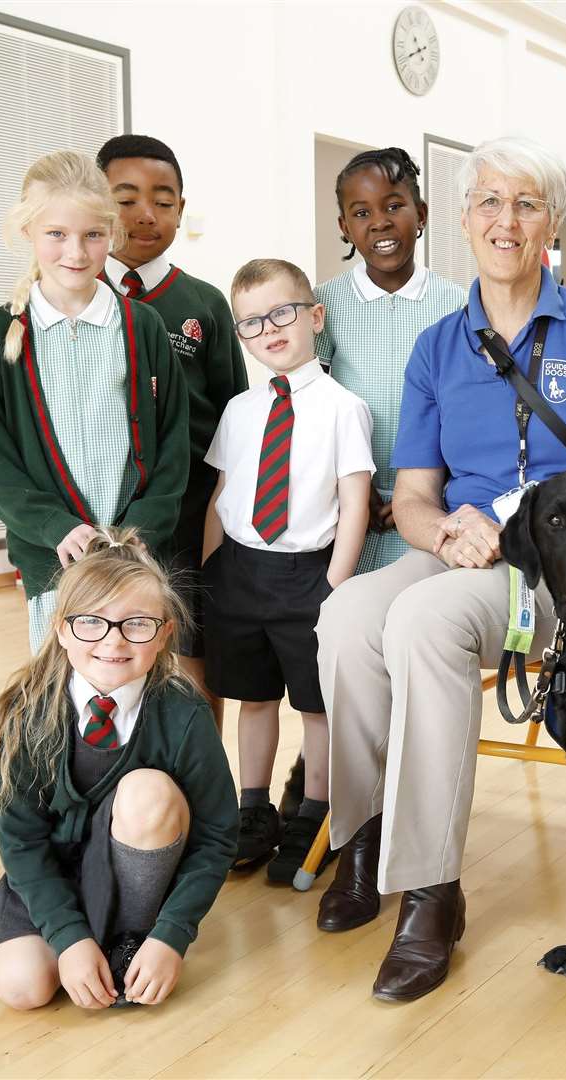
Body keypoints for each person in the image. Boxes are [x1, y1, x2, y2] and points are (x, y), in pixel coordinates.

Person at [315, 136, 566, 1003]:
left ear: (551, 224)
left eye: (525, 203)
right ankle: (363, 838)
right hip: (464, 555)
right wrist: (445, 537)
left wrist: (512, 521)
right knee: (351, 616)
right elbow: (413, 497)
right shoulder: (439, 346)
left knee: (425, 623)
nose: (504, 220)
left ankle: (431, 890)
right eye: (488, 202)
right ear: (463, 220)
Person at [0, 528, 237, 1011]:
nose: (113, 642)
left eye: (137, 624)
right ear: (60, 628)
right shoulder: (28, 713)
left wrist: (170, 938)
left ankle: (131, 939)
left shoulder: (183, 713)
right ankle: (85, 939)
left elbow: (218, 837)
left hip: (134, 869)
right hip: (54, 872)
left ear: (164, 634)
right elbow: (21, 841)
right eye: (92, 622)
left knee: (148, 790)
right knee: (23, 989)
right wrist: (69, 939)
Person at [0, 150, 189, 654]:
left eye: (92, 234)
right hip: (53, 555)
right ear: (28, 233)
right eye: (57, 235)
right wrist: (55, 527)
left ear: (111, 233)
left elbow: (174, 437)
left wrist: (142, 527)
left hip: (137, 550)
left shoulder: (141, 326)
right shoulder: (0, 332)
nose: (76, 251)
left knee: (137, 679)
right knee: (62, 691)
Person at [203, 258, 373, 883]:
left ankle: (314, 809)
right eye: (251, 322)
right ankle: (254, 809)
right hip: (239, 573)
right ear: (241, 336)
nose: (269, 329)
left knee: (316, 705)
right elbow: (222, 496)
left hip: (309, 574)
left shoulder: (341, 408)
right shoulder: (240, 410)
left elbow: (354, 501)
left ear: (314, 316)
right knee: (254, 698)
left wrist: (334, 585)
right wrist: (207, 573)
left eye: (282, 313)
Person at [98, 134, 249, 728]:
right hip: (105, 515)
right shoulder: (81, 297)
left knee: (192, 658)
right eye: (125, 198)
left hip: (188, 517)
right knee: (108, 655)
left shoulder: (202, 303)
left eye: (163, 200)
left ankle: (205, 785)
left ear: (181, 210)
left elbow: (234, 416)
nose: (145, 214)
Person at [314, 147, 468, 574]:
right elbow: (312, 403)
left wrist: (421, 497)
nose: (379, 221)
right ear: (344, 227)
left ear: (421, 215)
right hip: (348, 501)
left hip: (433, 500)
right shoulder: (324, 304)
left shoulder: (457, 307)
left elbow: (466, 409)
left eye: (394, 206)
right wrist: (351, 488)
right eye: (361, 213)